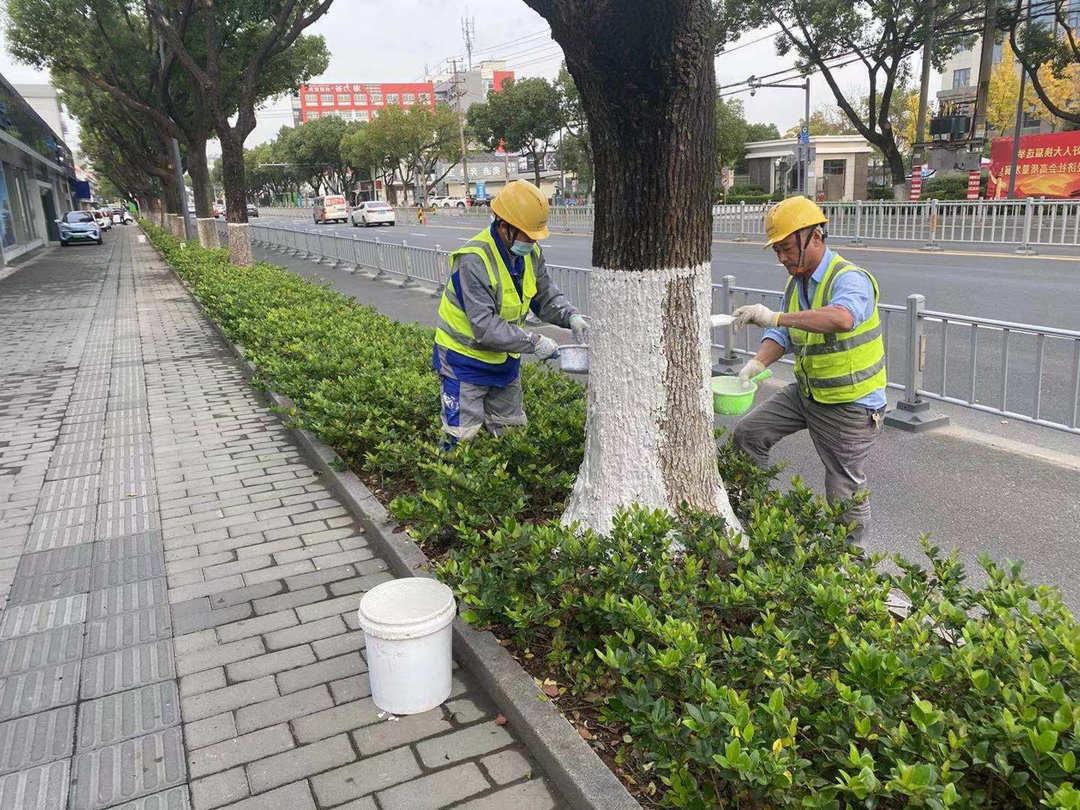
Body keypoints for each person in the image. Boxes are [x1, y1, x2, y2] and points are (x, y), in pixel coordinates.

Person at [729, 196, 887, 545]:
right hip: (808, 392)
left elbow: (842, 318)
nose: (782, 258)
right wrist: (757, 363)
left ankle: (852, 567)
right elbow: (782, 333)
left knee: (843, 486)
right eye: (777, 251)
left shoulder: (849, 278)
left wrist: (774, 316)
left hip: (850, 404)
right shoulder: (797, 281)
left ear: (815, 237)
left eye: (786, 248)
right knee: (748, 435)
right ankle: (757, 521)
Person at [432, 179, 587, 445]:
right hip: (463, 360)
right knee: (461, 437)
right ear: (504, 226)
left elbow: (544, 296)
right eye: (528, 234)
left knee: (512, 434)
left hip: (504, 360)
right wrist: (534, 341)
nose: (532, 241)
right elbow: (484, 326)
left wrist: (570, 316)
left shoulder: (530, 253)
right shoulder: (473, 260)